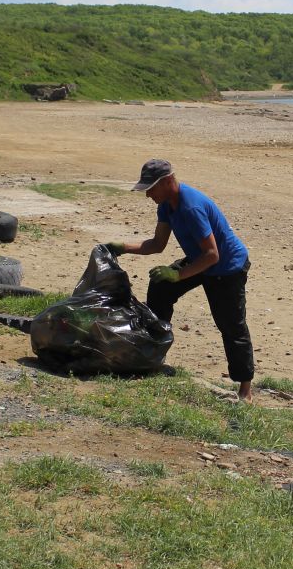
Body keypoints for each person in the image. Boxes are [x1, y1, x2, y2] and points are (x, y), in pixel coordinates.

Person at [100, 159, 255, 400]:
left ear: (168, 181)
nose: (148, 194)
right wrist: (121, 247)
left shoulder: (191, 208)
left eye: (151, 188)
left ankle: (245, 391)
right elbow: (157, 244)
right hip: (201, 259)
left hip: (227, 267)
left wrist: (178, 274)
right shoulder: (166, 205)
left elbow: (213, 255)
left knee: (231, 325)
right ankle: (154, 353)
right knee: (161, 286)